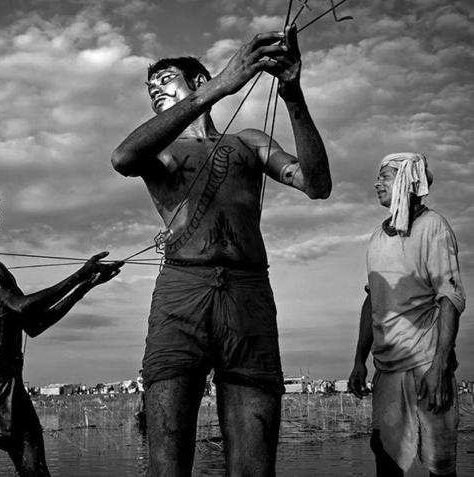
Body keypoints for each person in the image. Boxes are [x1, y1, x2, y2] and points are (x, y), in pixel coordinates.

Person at [111, 25, 331, 476]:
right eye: (150, 88)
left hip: (247, 294)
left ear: (197, 78)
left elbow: (317, 184)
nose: (155, 88)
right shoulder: (164, 151)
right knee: (167, 465)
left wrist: (293, 96)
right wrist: (221, 87)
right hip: (182, 294)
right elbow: (123, 158)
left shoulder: (247, 142)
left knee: (253, 466)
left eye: (165, 78)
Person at [0, 181, 122, 477]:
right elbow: (22, 306)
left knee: (36, 470)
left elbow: (34, 324)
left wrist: (86, 285)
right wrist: (79, 274)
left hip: (11, 377)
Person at [348, 153, 465, 477]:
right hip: (387, 369)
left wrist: (441, 365)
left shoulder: (433, 227)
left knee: (439, 465)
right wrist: (360, 360)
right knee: (385, 458)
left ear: (404, 182)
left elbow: (450, 297)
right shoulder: (375, 238)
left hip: (427, 366)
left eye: (383, 177)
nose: (376, 183)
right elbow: (373, 303)